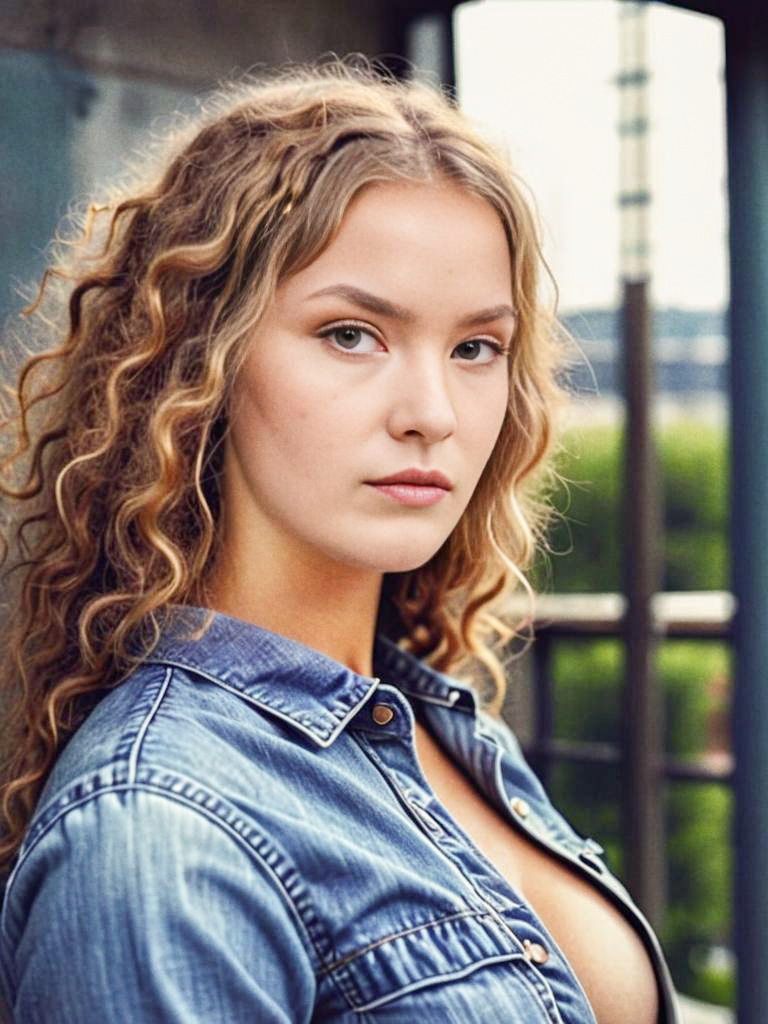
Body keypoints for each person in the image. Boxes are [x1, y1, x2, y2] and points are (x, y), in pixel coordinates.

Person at [0, 60, 678, 1023]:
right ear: (204, 359)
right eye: (353, 334)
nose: (432, 415)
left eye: (475, 348)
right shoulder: (163, 833)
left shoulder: (441, 724)